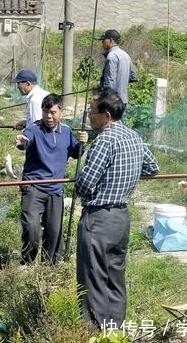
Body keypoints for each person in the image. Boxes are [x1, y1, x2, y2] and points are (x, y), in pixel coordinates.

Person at [74, 89, 159, 330]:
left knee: (93, 279)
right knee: (115, 277)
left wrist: (84, 185)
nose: (90, 117)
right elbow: (153, 168)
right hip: (121, 218)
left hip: (99, 219)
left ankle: (96, 332)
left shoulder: (104, 140)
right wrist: (125, 176)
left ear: (106, 115)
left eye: (92, 113)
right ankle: (116, 329)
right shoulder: (133, 136)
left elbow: (85, 184)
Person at [15, 94, 88, 264]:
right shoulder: (33, 129)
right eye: (46, 111)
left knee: (54, 232)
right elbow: (24, 141)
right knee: (32, 228)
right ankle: (26, 263)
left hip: (56, 189)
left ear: (61, 112)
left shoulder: (67, 132)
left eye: (53, 112)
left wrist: (82, 144)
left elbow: (76, 153)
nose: (49, 116)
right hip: (33, 187)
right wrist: (21, 142)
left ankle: (49, 267)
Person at [96, 29, 137, 108]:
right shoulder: (125, 55)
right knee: (120, 120)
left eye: (104, 40)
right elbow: (133, 76)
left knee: (111, 120)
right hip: (123, 99)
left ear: (111, 40)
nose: (102, 42)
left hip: (113, 101)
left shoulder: (111, 56)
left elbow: (109, 81)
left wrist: (105, 98)